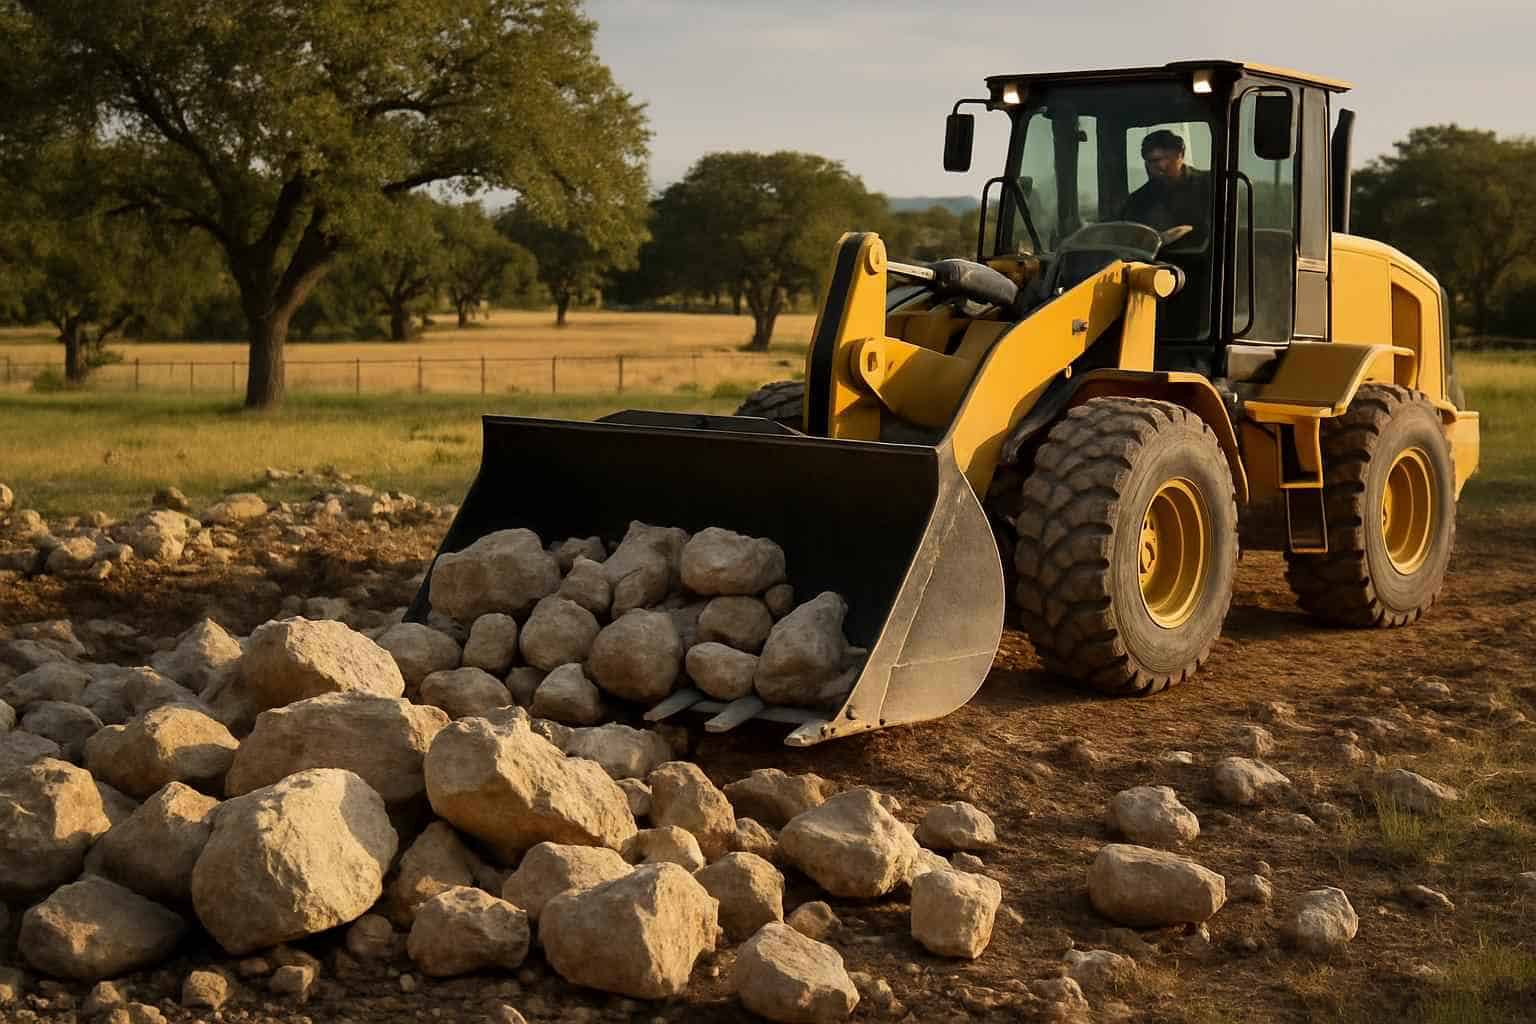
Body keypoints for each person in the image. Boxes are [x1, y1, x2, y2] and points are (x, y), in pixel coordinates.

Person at [1120, 129, 1210, 237]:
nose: (1151, 168)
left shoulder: (1211, 185)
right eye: (1148, 161)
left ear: (1180, 155)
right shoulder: (1137, 200)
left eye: (1157, 160)